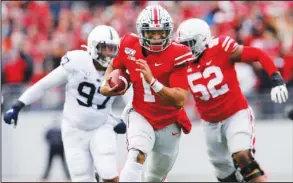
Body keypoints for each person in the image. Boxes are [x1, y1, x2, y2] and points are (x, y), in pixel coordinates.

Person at [3, 25, 126, 182]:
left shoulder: (120, 71)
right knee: (82, 178)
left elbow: (132, 100)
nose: (109, 53)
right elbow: (44, 85)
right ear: (94, 47)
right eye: (104, 48)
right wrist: (18, 105)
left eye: (112, 48)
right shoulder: (77, 62)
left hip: (102, 124)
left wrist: (124, 120)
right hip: (74, 129)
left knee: (108, 170)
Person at [176, 18, 289, 182]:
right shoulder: (180, 62)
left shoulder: (221, 47)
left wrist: (276, 78)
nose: (187, 49)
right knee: (223, 171)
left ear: (203, 39)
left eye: (191, 43)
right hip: (210, 123)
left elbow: (257, 54)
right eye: (183, 44)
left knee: (242, 155)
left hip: (235, 114)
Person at [100, 5, 194, 182]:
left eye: (161, 33)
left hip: (170, 121)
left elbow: (179, 99)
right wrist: (107, 84)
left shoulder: (179, 53)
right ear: (142, 32)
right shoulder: (128, 44)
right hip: (141, 114)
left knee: (154, 177)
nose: (157, 38)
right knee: (136, 155)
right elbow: (114, 66)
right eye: (151, 34)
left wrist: (153, 81)